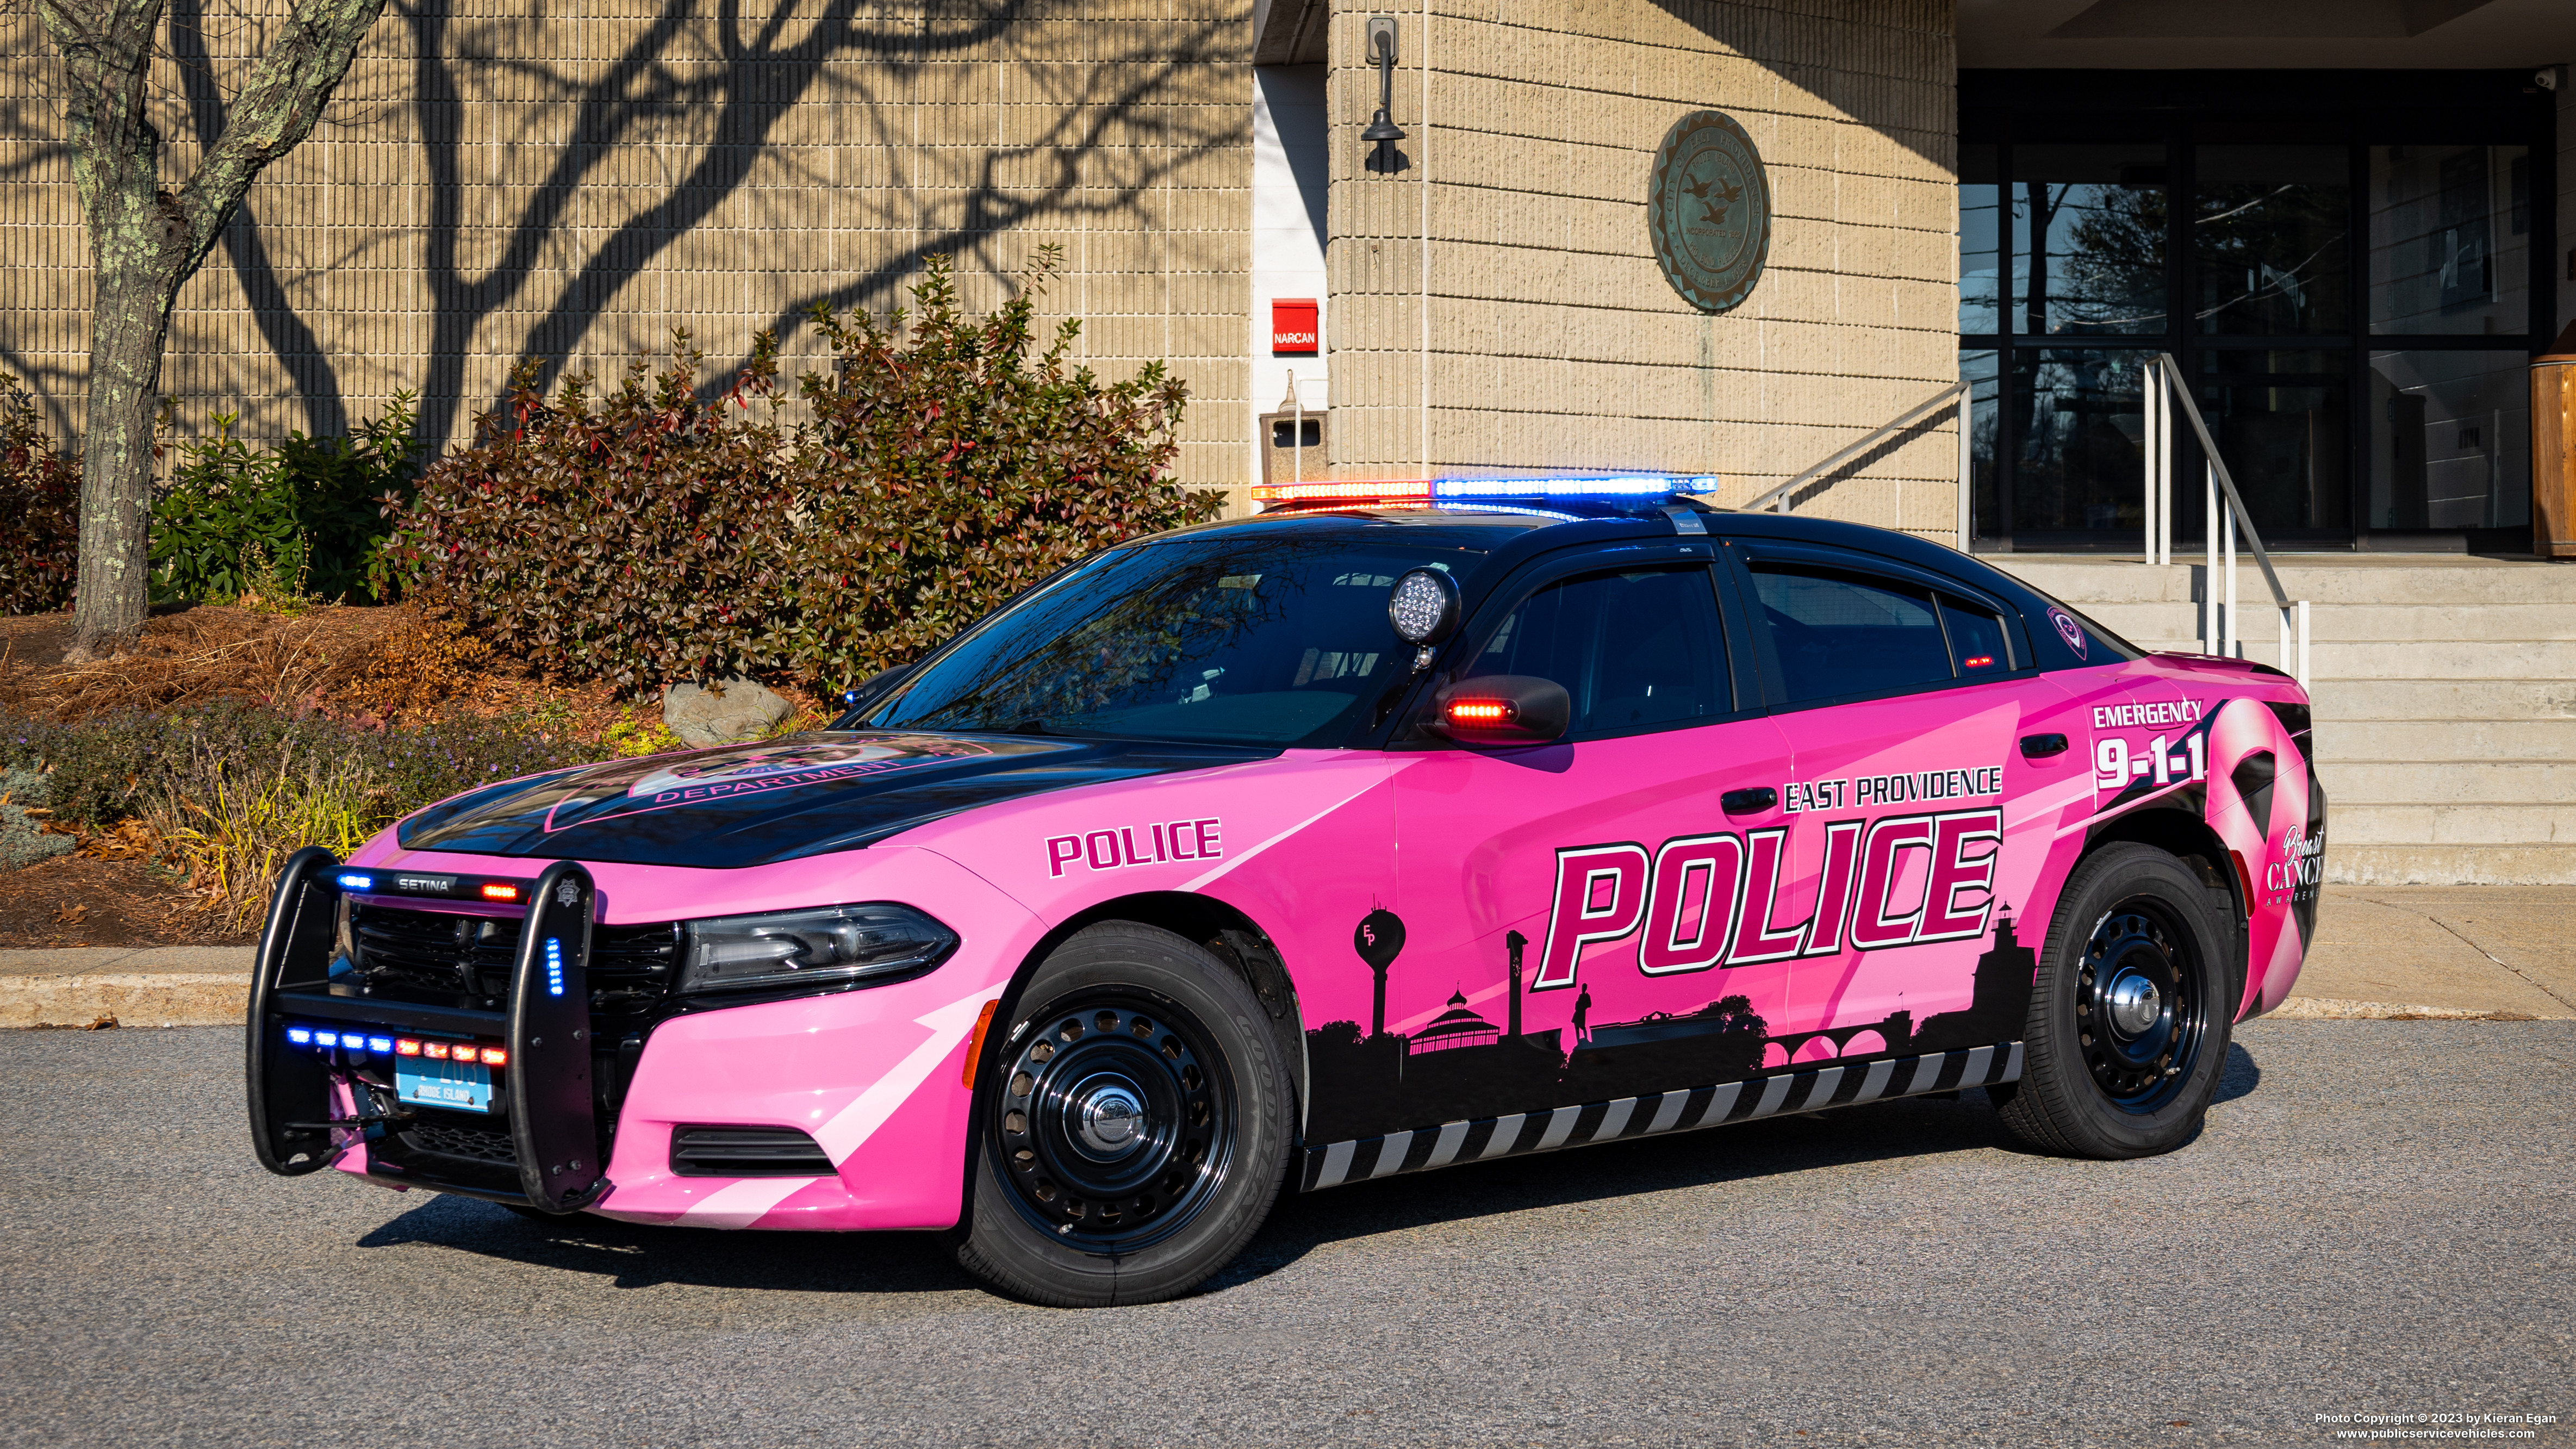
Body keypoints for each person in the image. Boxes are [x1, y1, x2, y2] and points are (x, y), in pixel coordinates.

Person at [1571, 980, 1593, 1046]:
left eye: (1584, 988)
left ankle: (1587, 1039)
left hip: (1582, 1013)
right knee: (1577, 1029)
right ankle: (1578, 1042)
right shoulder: (1580, 996)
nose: (1583, 989)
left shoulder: (1587, 996)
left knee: (1583, 1028)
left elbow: (1589, 1005)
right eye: (1582, 987)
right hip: (1578, 1013)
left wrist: (1582, 1006)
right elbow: (1576, 1006)